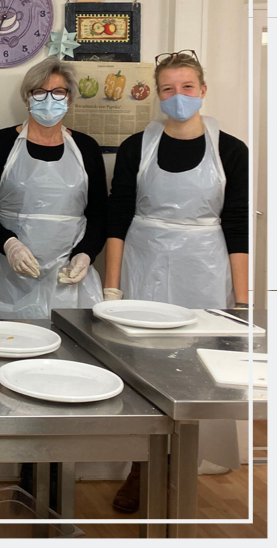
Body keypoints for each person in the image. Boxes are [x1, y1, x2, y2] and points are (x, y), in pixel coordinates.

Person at [105, 49, 249, 512]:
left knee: (197, 370)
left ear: (203, 89)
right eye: (168, 89)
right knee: (142, 365)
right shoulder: (136, 147)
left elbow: (238, 224)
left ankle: (180, 466)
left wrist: (242, 302)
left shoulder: (232, 150)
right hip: (144, 262)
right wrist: (111, 288)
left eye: (187, 87)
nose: (178, 96)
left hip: (203, 269)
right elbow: (117, 217)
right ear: (157, 94)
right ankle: (140, 468)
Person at [0, 56, 106, 320]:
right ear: (27, 98)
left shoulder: (86, 148)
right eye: (40, 92)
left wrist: (86, 254)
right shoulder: (0, 144)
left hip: (68, 273)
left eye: (58, 92)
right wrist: (9, 244)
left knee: (68, 340)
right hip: (7, 274)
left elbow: (99, 213)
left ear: (69, 98)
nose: (49, 99)